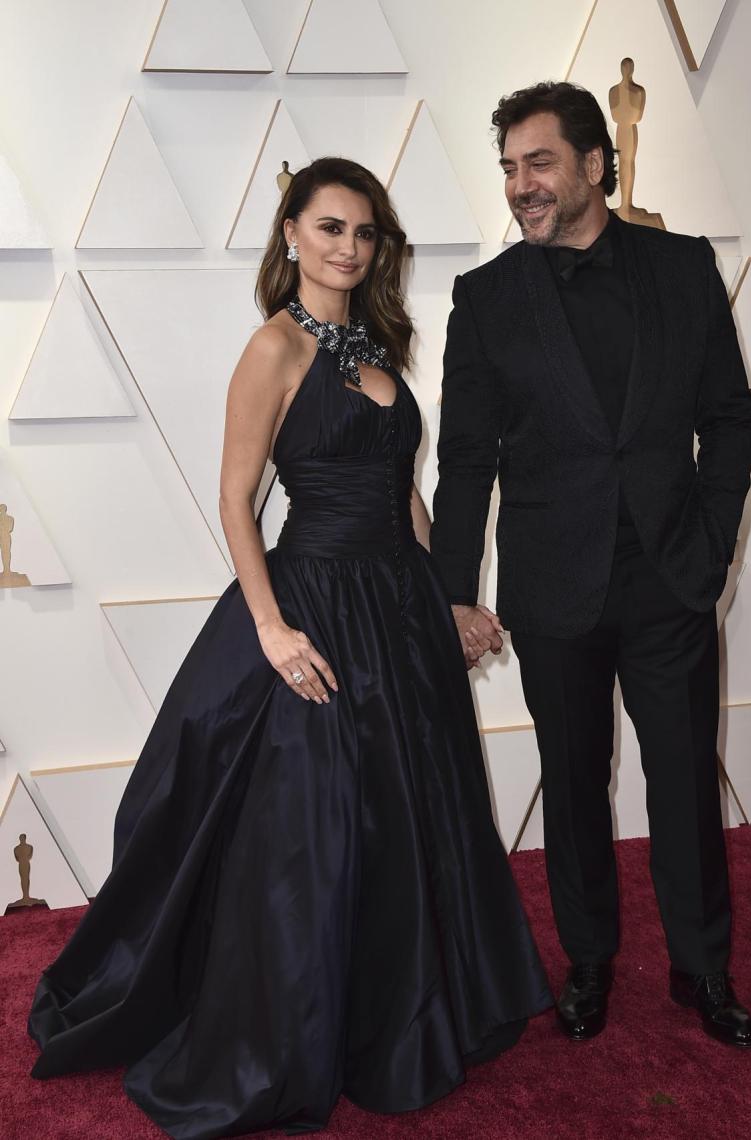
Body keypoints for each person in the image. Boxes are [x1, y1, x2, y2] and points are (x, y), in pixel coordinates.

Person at [28, 157, 551, 1139]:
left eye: (363, 233)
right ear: (290, 236)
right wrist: (269, 629)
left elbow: (404, 493)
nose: (348, 247)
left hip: (396, 610)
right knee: (316, 832)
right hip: (313, 605)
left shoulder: (377, 341)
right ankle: (303, 1027)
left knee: (410, 815)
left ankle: (395, 1014)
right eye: (329, 228)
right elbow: (235, 498)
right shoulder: (273, 349)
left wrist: (448, 600)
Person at [431, 82, 751, 1049]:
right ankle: (588, 960)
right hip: (552, 584)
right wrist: (454, 590)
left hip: (668, 578)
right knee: (572, 781)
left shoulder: (682, 266)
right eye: (507, 169)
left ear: (591, 165)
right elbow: (465, 459)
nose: (519, 186)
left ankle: (702, 969)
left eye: (537, 164)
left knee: (684, 784)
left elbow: (728, 418)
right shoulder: (484, 298)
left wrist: (710, 546)